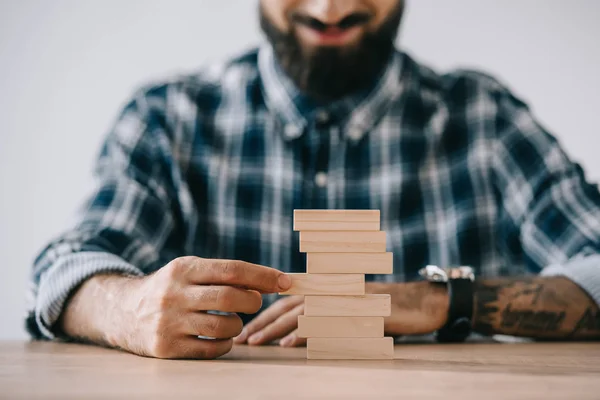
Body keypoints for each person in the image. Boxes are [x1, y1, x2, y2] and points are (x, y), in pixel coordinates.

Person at [27, 0, 600, 359]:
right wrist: (127, 308)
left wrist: (441, 300)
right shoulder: (169, 118)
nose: (330, 9)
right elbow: (67, 266)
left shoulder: (484, 119)